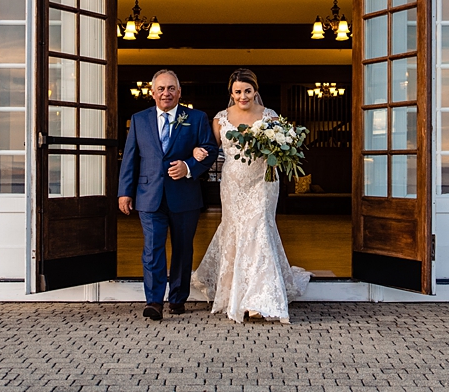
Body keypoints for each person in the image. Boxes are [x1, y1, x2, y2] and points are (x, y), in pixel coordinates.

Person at [191, 68, 310, 323]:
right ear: (231, 93)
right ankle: (237, 292)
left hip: (263, 181)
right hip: (233, 183)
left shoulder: (270, 116)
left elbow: (282, 146)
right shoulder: (221, 119)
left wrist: (281, 152)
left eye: (247, 91)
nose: (242, 96)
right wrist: (196, 151)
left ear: (255, 91)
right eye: (237, 92)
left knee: (259, 230)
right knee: (236, 230)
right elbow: (211, 148)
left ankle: (260, 298)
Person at [118, 69, 218, 321]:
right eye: (161, 88)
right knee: (152, 249)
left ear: (179, 92)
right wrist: (124, 193)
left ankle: (177, 298)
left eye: (171, 88)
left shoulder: (195, 118)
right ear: (152, 93)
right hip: (148, 195)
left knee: (183, 250)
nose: (166, 93)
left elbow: (210, 149)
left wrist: (188, 167)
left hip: (185, 196)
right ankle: (154, 301)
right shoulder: (139, 120)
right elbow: (130, 159)